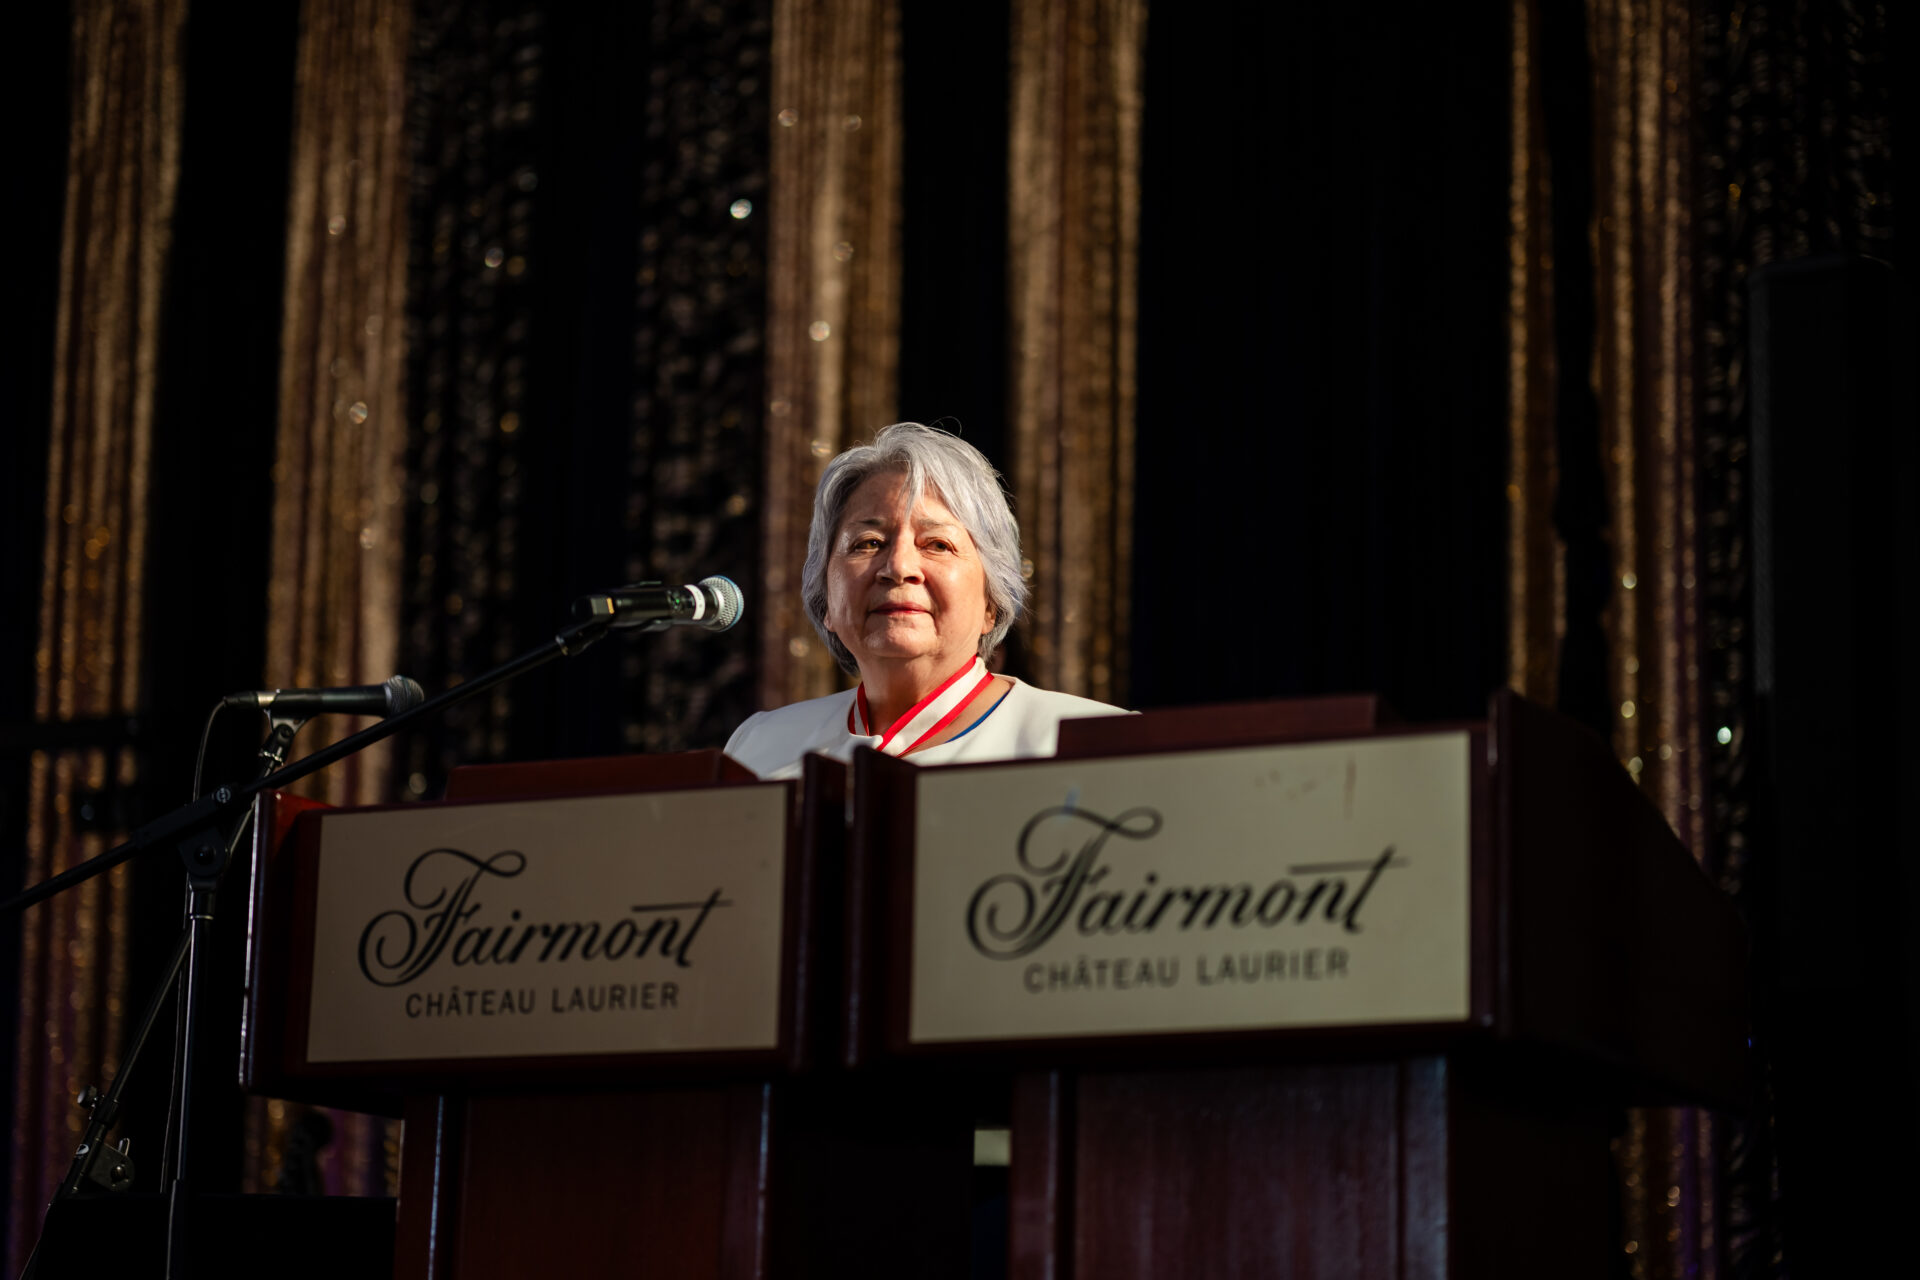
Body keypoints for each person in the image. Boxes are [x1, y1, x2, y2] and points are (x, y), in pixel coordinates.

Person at [725, 422, 1127, 778]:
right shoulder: (759, 747)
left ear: (992, 601)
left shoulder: (1095, 743)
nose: (899, 567)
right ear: (825, 598)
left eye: (937, 544)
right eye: (868, 543)